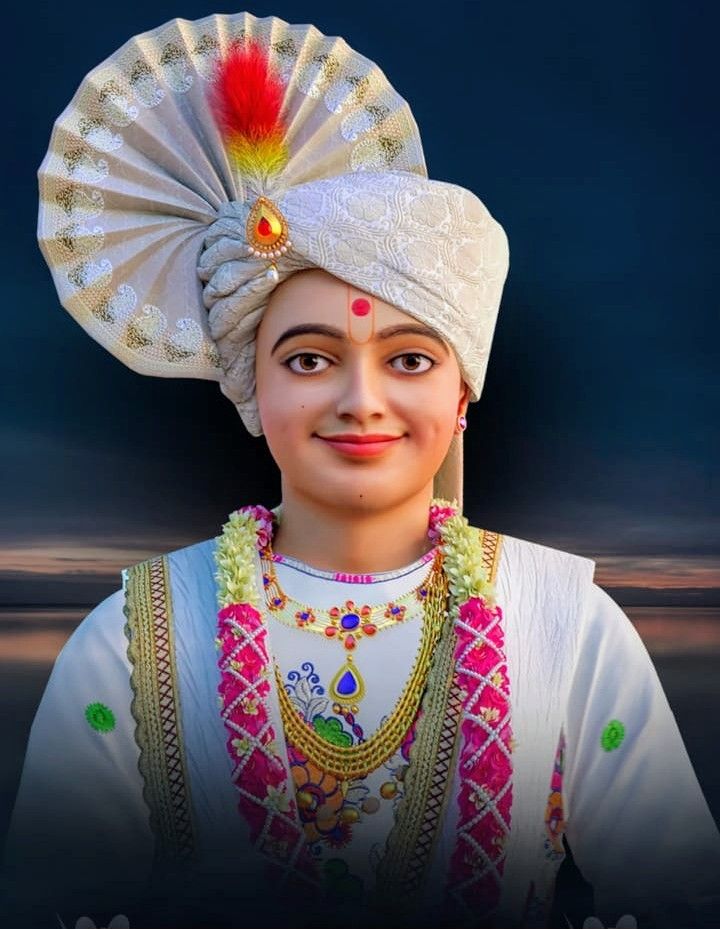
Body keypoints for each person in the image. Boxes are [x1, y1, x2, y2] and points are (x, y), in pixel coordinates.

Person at [2, 10, 719, 929]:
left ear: (463, 394)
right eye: (309, 359)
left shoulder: (567, 624)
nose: (361, 399)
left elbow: (686, 899)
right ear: (250, 389)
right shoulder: (131, 643)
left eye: (409, 359)